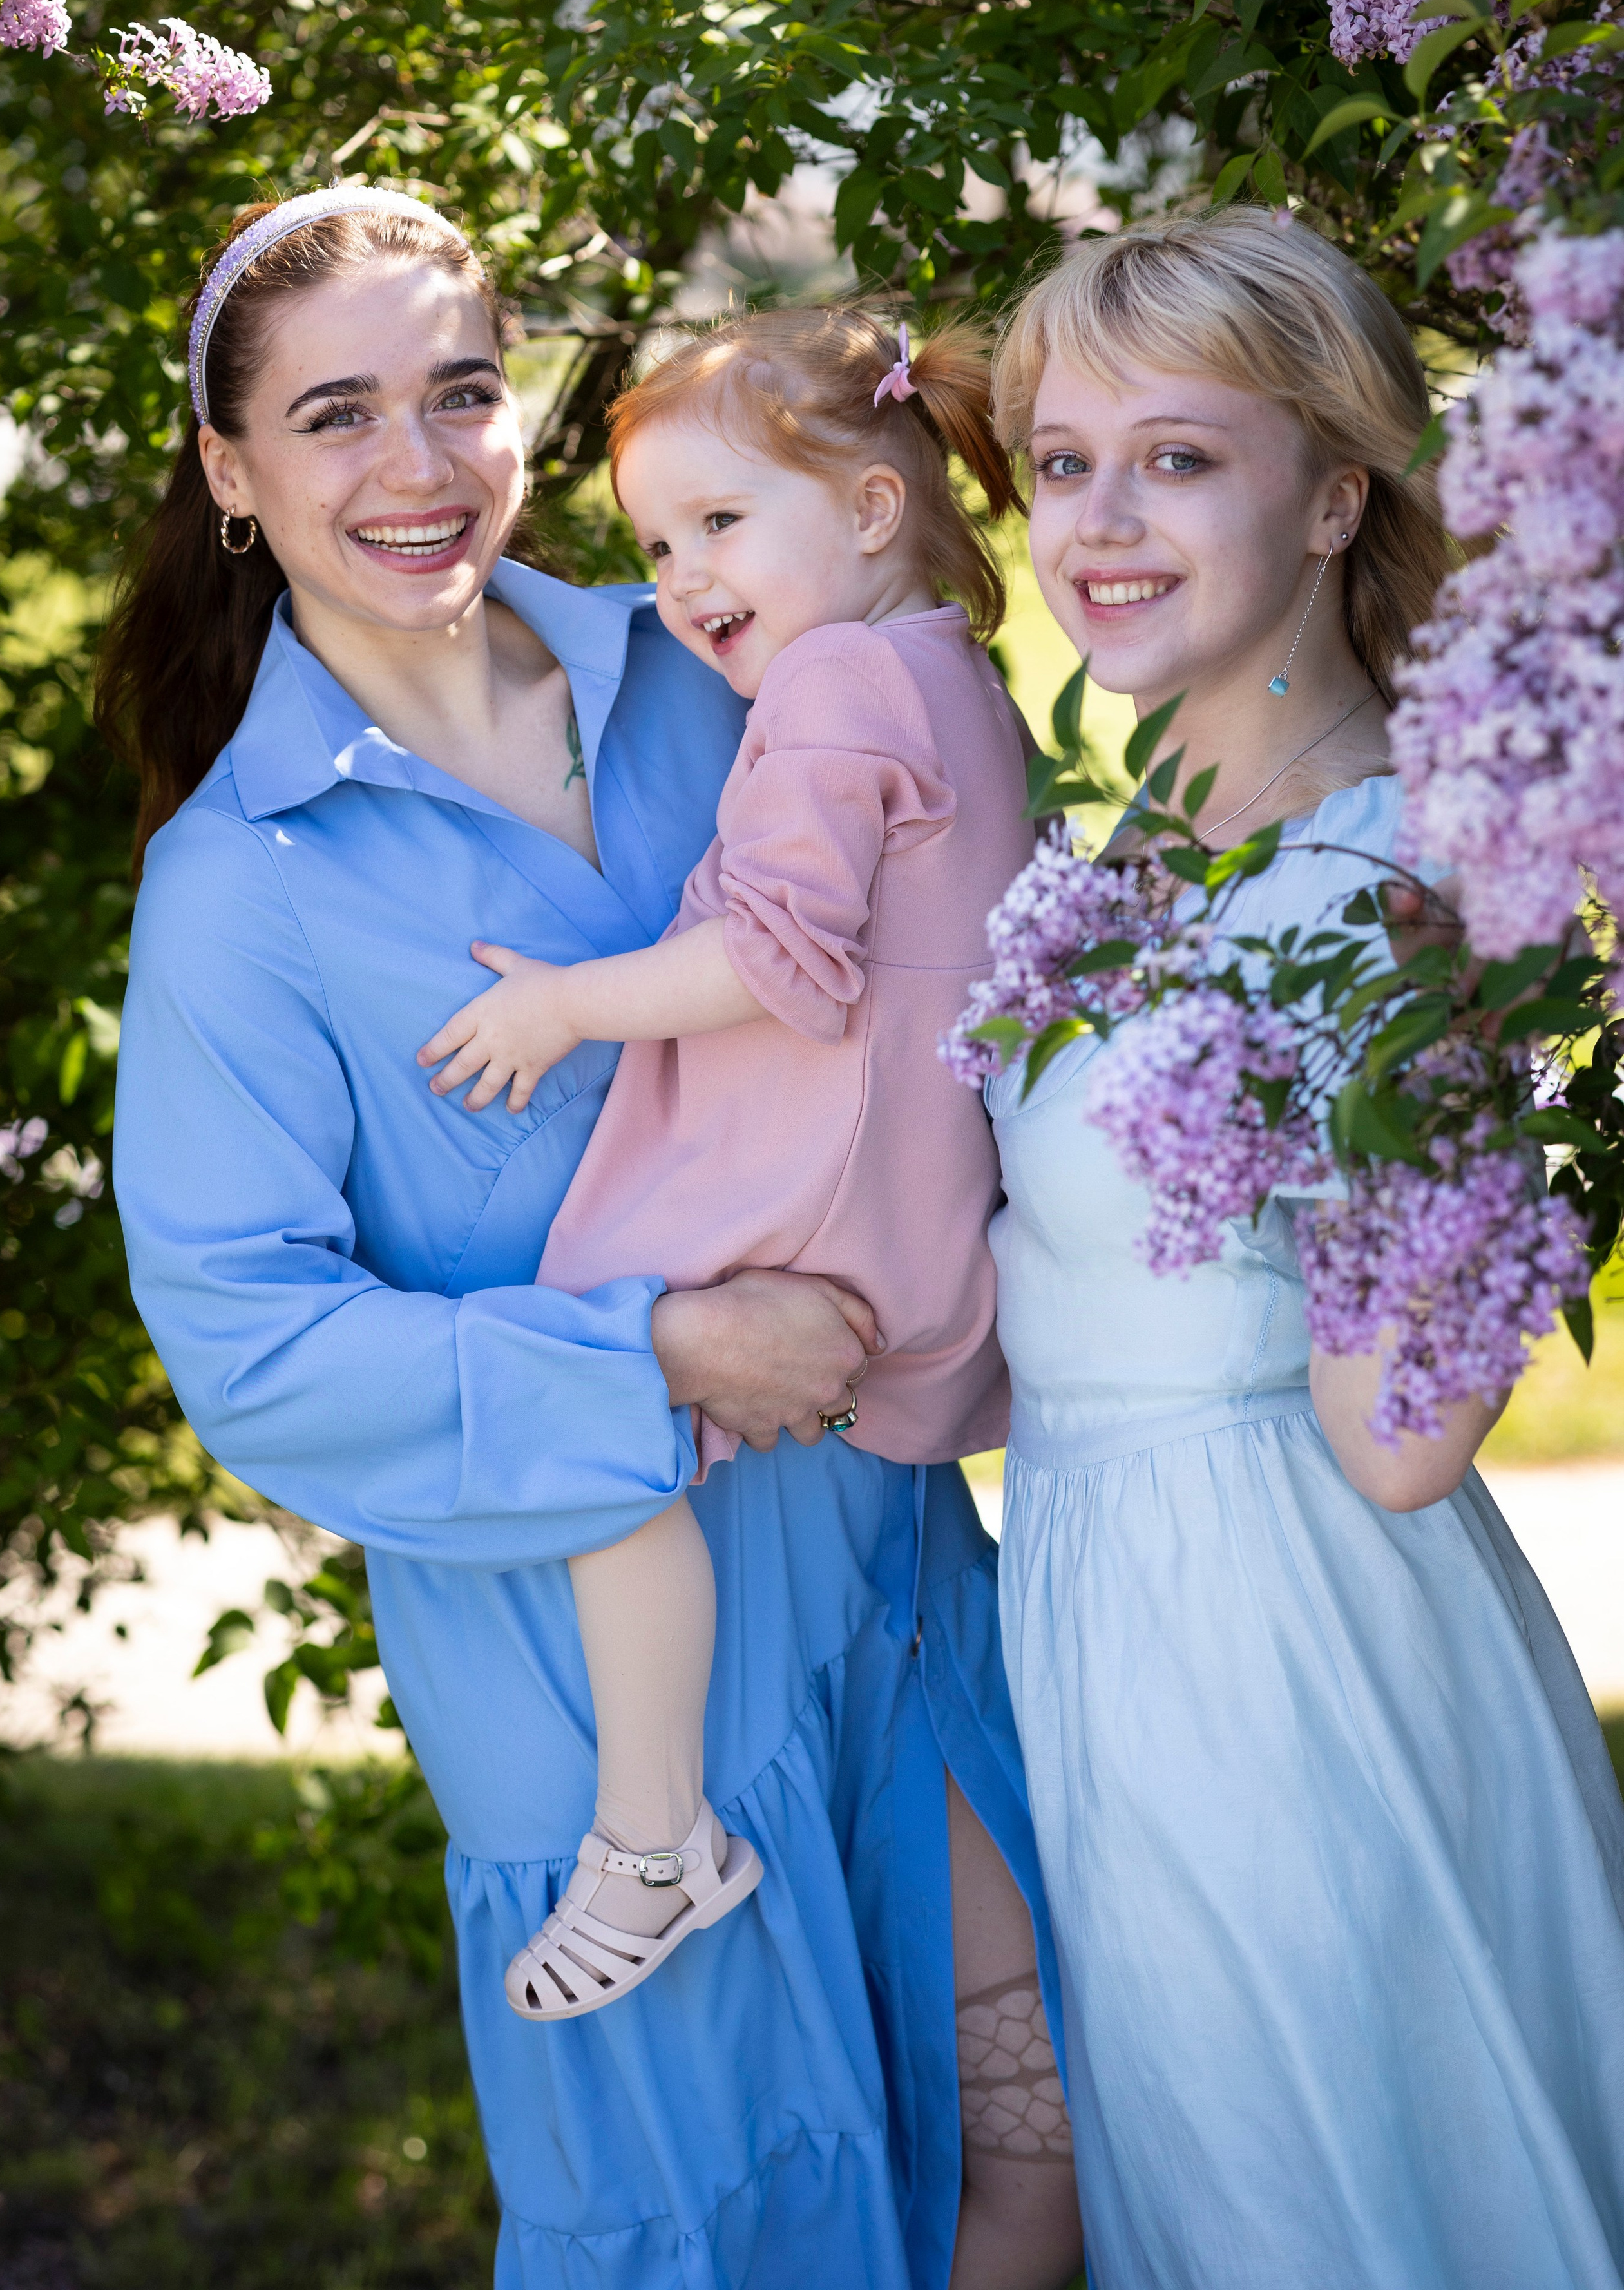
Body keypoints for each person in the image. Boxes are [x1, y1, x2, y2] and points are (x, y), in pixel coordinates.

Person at [104, 187, 1080, 2290]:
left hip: (911, 1592)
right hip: (609, 1714)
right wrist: (654, 1350)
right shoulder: (237, 888)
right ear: (232, 474)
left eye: (461, 393)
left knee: (1045, 2166)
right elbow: (252, 1346)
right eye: (337, 413)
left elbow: (951, 947)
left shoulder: (721, 664)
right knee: (742, 2238)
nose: (417, 465)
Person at [984, 207, 1624, 2289]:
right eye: (1064, 461)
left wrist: (1415, 1110)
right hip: (1095, 1614)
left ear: (1338, 492)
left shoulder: (1416, 870)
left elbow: (1406, 1444)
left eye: (1178, 458)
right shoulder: (1119, 848)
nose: (1100, 520)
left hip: (1284, 1658)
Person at [413, 311, 1058, 2052]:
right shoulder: (954, 675)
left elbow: (778, 957)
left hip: (816, 1177)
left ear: (865, 509)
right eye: (652, 544)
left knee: (595, 1383)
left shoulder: (839, 682)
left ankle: (652, 1833)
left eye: (719, 524)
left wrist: (563, 1006)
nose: (681, 579)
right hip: (918, 1206)